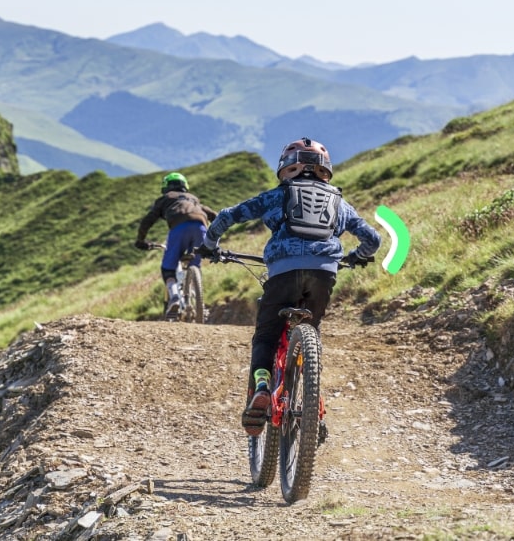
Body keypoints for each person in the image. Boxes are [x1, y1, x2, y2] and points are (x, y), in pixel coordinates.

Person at [197, 137, 382, 436]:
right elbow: (373, 240)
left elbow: (228, 216)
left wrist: (210, 245)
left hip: (283, 272)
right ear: (326, 171)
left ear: (286, 168)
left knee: (267, 335)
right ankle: (313, 407)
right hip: (323, 275)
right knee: (313, 330)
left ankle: (261, 385)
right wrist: (356, 257)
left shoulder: (276, 196)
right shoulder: (339, 203)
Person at [135, 172, 218, 319]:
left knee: (168, 267)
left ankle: (174, 298)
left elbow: (148, 220)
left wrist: (140, 241)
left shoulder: (165, 198)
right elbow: (213, 215)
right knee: (195, 262)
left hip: (179, 228)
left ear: (165, 187)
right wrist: (217, 237)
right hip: (201, 227)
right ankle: (197, 300)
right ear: (185, 186)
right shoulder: (193, 199)